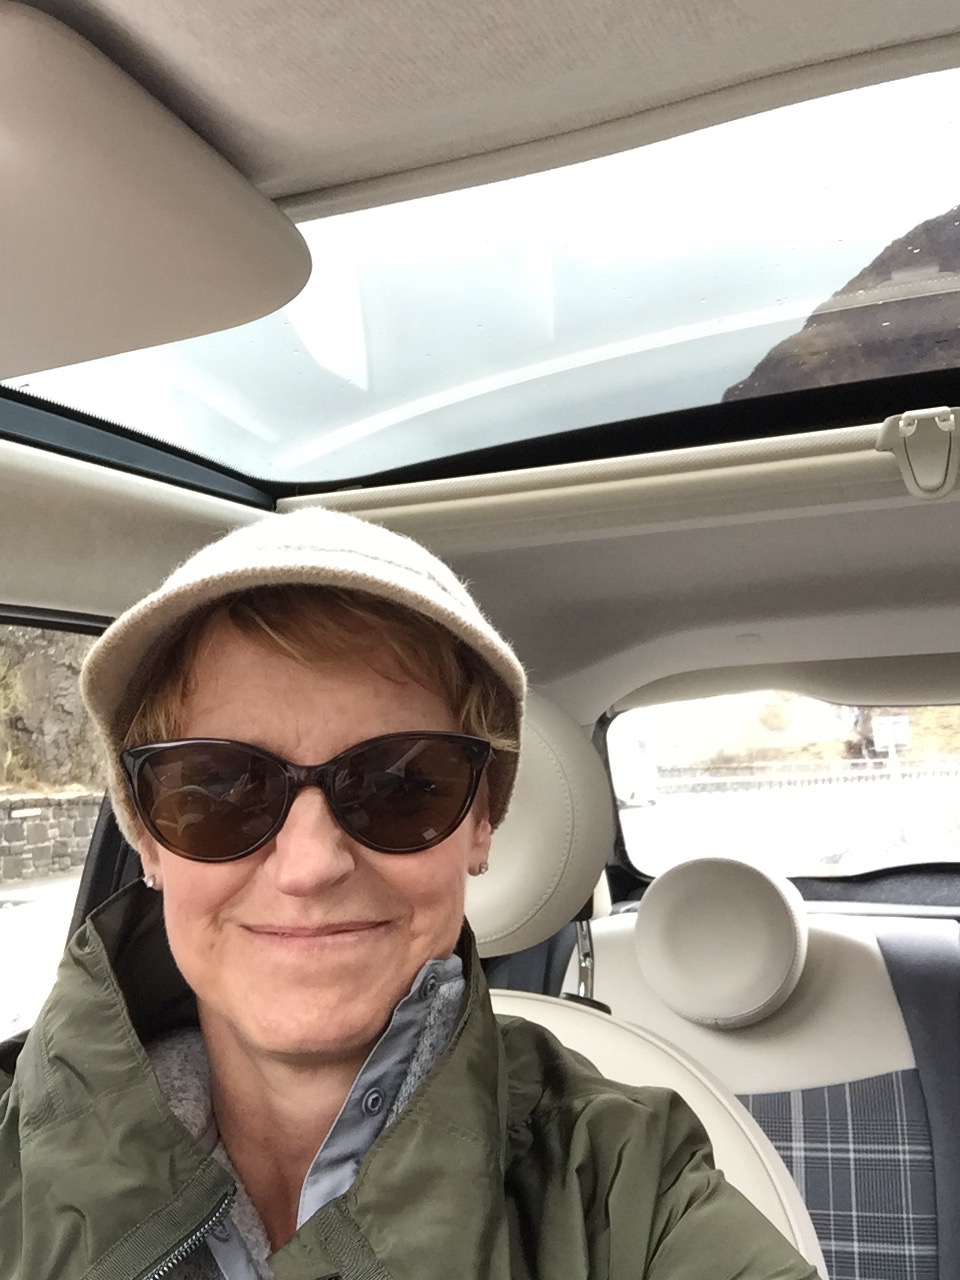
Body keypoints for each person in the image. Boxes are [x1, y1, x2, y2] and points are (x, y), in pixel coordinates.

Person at [0, 508, 820, 1280]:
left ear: (480, 824)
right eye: (218, 790)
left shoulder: (625, 1184)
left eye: (399, 785)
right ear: (147, 839)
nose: (309, 865)